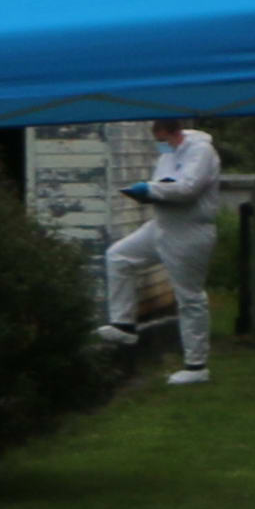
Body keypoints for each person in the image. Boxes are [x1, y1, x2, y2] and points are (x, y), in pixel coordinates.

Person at [95, 116, 225, 387]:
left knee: (189, 297)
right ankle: (124, 325)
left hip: (190, 229)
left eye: (163, 141)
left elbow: (188, 188)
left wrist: (151, 189)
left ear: (175, 133)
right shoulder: (169, 153)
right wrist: (146, 191)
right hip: (162, 224)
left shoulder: (201, 151)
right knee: (118, 256)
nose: (160, 148)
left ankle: (196, 364)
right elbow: (165, 183)